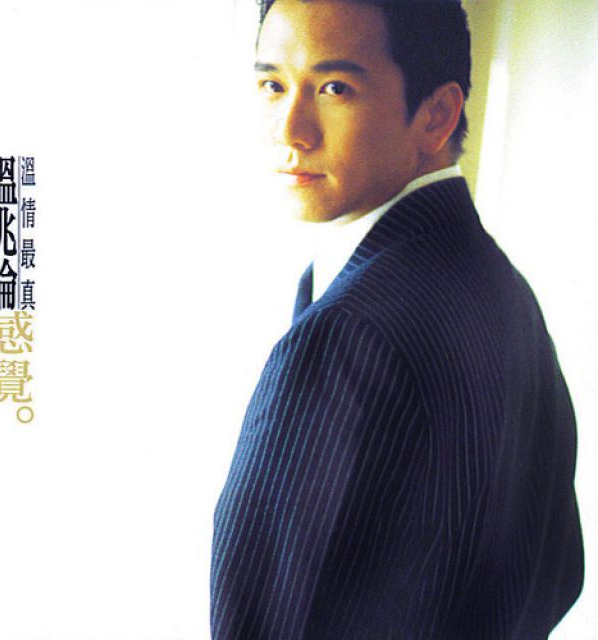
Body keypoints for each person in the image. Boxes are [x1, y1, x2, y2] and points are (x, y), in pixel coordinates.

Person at [210, 0, 584, 638]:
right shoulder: (498, 284)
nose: (290, 130)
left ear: (436, 115)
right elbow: (556, 574)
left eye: (334, 88)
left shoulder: (351, 330)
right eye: (273, 86)